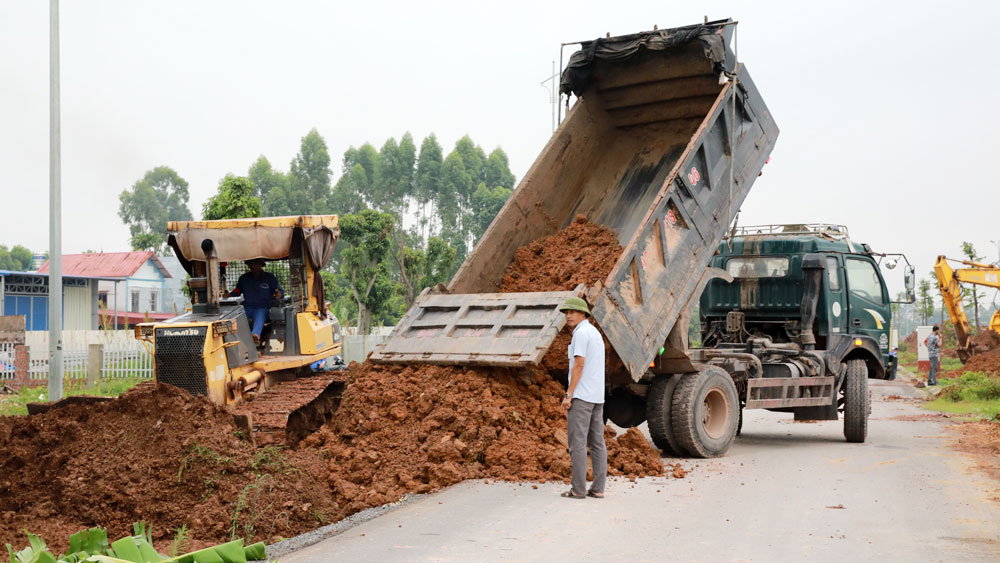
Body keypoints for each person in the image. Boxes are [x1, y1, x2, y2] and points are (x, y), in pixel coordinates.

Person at [557, 296, 607, 499]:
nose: (568, 315)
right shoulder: (594, 332)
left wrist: (569, 394)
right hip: (597, 397)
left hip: (582, 397)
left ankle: (578, 489)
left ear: (583, 314)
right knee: (597, 443)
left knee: (577, 443)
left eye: (572, 312)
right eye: (566, 312)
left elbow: (579, 365)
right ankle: (598, 488)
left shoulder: (580, 334)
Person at [227, 259, 283, 343]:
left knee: (260, 314)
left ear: (261, 264)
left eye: (256, 264)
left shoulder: (270, 278)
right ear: (248, 265)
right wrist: (228, 295)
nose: (253, 266)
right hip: (247, 308)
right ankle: (233, 338)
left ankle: (255, 336)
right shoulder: (244, 278)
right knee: (236, 315)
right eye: (251, 264)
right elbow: (237, 291)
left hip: (263, 308)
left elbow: (280, 292)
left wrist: (279, 294)